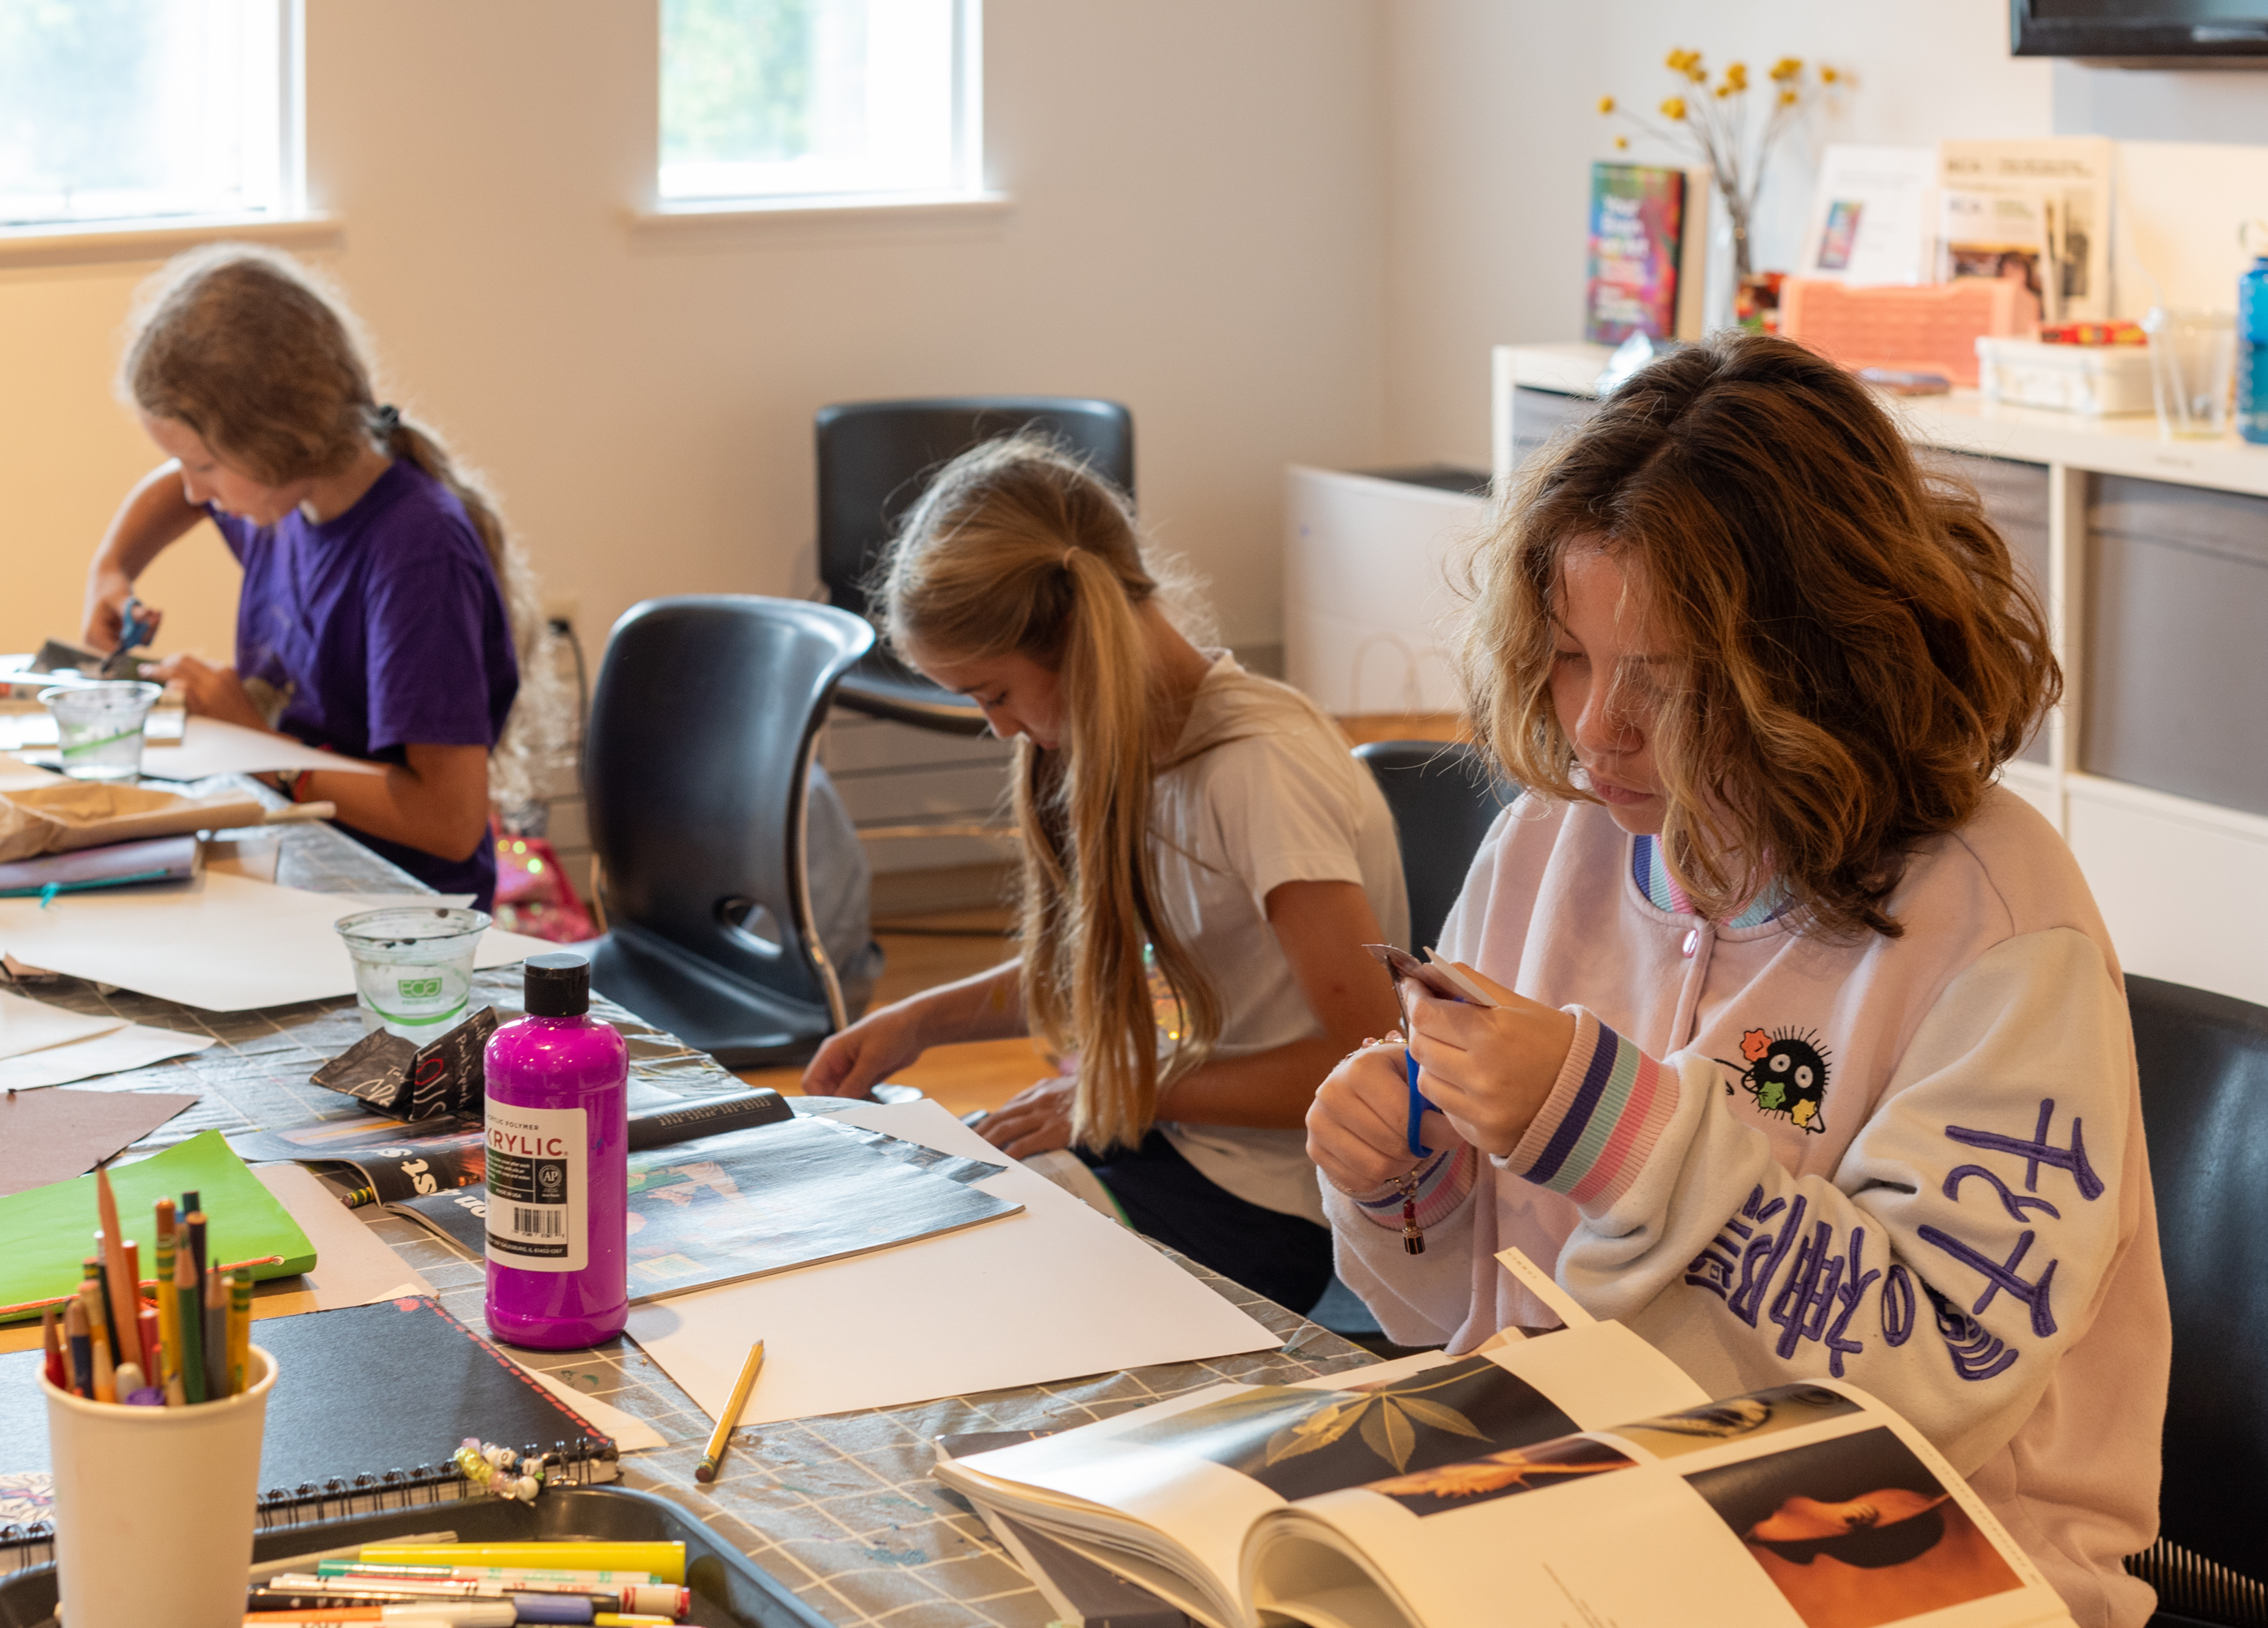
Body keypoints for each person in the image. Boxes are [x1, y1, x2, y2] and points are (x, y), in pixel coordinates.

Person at [1305, 332, 2165, 1626]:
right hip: (1582, 1493)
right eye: (1571, 655)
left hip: (1927, 1553)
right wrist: (1404, 1177)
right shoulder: (1551, 842)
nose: (1596, 730)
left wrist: (1609, 1125)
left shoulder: (1997, 924)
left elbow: (1929, 1378)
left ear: (1821, 665)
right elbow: (1464, 1310)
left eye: (1667, 680)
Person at [802, 437, 1407, 1313]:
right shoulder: (1125, 745)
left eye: (994, 694)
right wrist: (918, 1022)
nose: (1001, 729)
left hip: (1275, 1203)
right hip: (1167, 1138)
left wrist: (1122, 1096)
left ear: (1079, 644)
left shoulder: (1260, 769)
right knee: (912, 1214)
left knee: (949, 1285)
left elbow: (1372, 1057)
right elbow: (1101, 961)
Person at [80, 244, 565, 910]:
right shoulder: (284, 499)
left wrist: (253, 741)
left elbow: (448, 824)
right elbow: (173, 490)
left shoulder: (414, 557)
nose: (194, 492)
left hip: (406, 918)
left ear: (278, 440)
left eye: (205, 467)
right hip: (311, 869)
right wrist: (112, 570)